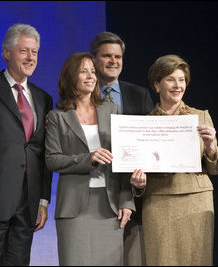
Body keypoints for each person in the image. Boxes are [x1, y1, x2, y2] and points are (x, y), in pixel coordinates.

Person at [45, 52, 146, 266]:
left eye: (93, 71)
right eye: (84, 71)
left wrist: (127, 201)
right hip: (73, 208)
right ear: (71, 77)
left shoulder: (112, 110)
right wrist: (88, 158)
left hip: (109, 207)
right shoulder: (57, 117)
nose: (91, 76)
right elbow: (52, 160)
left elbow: (125, 160)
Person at [0, 24, 53, 266]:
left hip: (28, 201)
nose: (30, 57)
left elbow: (43, 152)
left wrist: (43, 200)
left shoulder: (43, 98)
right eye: (24, 51)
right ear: (6, 52)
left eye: (35, 52)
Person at [143, 54, 218, 265]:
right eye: (170, 79)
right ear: (157, 84)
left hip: (196, 200)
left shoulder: (201, 116)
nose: (177, 85)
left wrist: (211, 146)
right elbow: (139, 171)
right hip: (158, 201)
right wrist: (137, 184)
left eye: (182, 80)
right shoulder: (143, 124)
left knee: (196, 260)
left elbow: (215, 168)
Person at [89, 31, 155, 266]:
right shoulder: (80, 95)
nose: (113, 61)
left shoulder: (139, 95)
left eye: (118, 56)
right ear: (93, 59)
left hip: (134, 193)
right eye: (106, 56)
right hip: (93, 196)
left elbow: (151, 142)